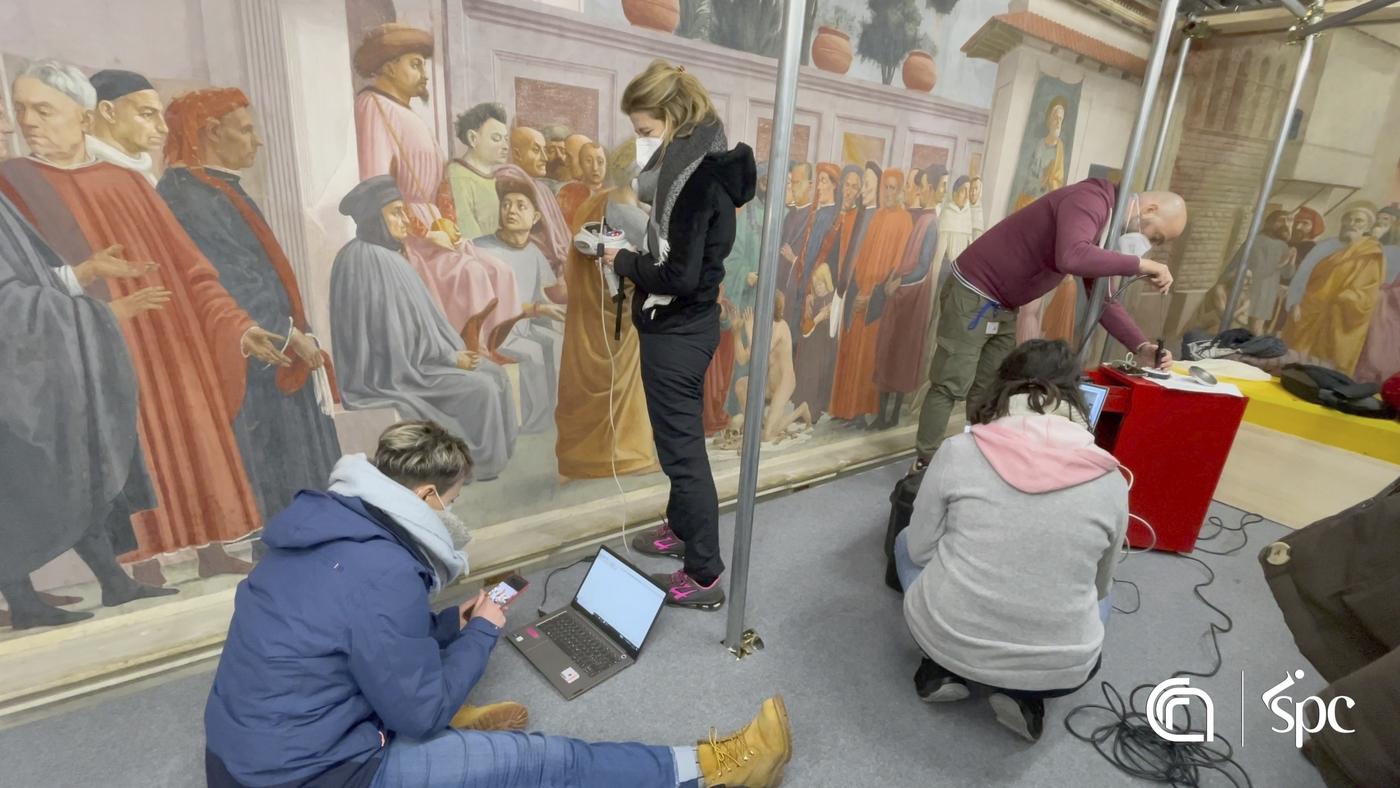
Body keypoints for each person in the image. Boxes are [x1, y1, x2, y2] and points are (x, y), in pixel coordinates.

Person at [205, 420, 794, 788]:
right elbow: (418, 712)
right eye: (454, 499)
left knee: (431, 679)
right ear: (428, 495)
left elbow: (346, 634)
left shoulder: (323, 528)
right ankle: (715, 772)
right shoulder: (383, 571)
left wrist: (441, 625)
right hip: (315, 775)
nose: (454, 511)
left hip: (239, 758)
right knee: (543, 763)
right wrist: (484, 628)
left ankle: (458, 727)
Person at [2, 60, 284, 580]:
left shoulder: (126, 182)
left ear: (85, 118)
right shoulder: (13, 184)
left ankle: (210, 545)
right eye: (21, 110)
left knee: (190, 432)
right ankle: (141, 562)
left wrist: (239, 326)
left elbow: (191, 269)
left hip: (171, 343)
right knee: (129, 447)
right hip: (92, 341)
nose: (28, 122)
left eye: (43, 109)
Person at [893, 340, 1127, 742]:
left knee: (903, 541)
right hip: (1064, 667)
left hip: (949, 635)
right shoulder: (1110, 479)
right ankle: (1025, 694)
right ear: (1076, 395)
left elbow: (918, 550)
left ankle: (942, 667)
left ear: (1002, 386)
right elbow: (1100, 585)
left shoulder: (959, 451)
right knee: (1104, 595)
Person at [600, 60, 756, 610]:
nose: (640, 143)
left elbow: (680, 277)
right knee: (677, 447)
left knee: (683, 457)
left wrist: (624, 261)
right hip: (685, 325)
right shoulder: (696, 165)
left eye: (645, 131)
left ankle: (706, 573)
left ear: (673, 117)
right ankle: (680, 529)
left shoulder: (694, 182)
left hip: (679, 331)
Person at [158, 87, 342, 524]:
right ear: (211, 133)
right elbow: (230, 277)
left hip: (274, 340)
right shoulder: (187, 195)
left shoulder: (216, 187)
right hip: (250, 351)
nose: (257, 141)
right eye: (246, 129)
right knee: (272, 464)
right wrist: (288, 329)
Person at [911, 181, 1185, 470]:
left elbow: (1103, 300)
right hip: (974, 291)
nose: (1150, 246)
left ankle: (977, 461)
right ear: (1150, 209)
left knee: (990, 389)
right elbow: (1071, 255)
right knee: (951, 382)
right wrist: (1140, 265)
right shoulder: (1090, 200)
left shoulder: (1106, 227)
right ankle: (924, 465)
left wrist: (1141, 346)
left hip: (1004, 306)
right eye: (1156, 238)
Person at [0, 191, 175, 629]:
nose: (6, 128)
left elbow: (29, 287)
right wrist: (106, 314)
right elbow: (9, 310)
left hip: (31, 369)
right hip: (12, 382)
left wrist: (85, 272)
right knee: (26, 476)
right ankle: (21, 600)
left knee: (77, 462)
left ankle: (113, 581)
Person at [329, 176, 517, 481]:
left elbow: (418, 323)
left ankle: (489, 461)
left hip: (417, 360)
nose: (406, 220)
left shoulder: (385, 256)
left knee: (493, 373)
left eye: (404, 211)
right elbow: (389, 339)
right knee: (481, 387)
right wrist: (448, 358)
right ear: (374, 218)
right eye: (395, 213)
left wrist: (449, 353)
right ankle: (473, 464)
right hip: (392, 374)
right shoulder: (367, 261)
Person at [352, 24, 520, 354]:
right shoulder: (373, 106)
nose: (424, 73)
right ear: (389, 66)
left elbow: (440, 182)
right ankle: (468, 349)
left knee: (499, 270)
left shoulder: (410, 113)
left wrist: (450, 226)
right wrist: (424, 234)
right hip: (408, 233)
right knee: (471, 275)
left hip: (435, 225)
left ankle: (484, 346)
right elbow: (378, 188)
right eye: (415, 64)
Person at [554, 142, 658, 480]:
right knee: (626, 382)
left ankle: (582, 459)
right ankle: (625, 456)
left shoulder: (594, 203)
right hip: (622, 317)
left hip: (590, 315)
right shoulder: (633, 217)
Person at [472, 166, 567, 433]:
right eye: (506, 205)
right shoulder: (480, 249)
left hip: (522, 327)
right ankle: (536, 423)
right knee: (533, 352)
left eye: (520, 206)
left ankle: (555, 415)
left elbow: (551, 291)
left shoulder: (534, 251)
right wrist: (539, 309)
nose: (511, 211)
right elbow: (483, 305)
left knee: (559, 341)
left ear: (536, 216)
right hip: (493, 333)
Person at [829, 169, 914, 424]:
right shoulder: (876, 217)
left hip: (878, 301)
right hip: (861, 294)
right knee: (850, 352)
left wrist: (873, 295)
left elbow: (896, 267)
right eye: (884, 188)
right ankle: (847, 409)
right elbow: (862, 257)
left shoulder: (905, 221)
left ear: (899, 192)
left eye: (892, 188)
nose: (887, 193)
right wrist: (857, 291)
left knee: (868, 358)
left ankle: (863, 412)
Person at [1283, 203, 1385, 376]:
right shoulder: (1325, 246)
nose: (1352, 224)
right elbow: (1302, 275)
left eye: (1358, 221)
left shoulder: (1371, 254)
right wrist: (1295, 302)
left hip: (1341, 317)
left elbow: (1368, 292)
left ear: (1367, 226)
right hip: (1308, 311)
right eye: (1348, 219)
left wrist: (1347, 297)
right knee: (1294, 361)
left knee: (1323, 370)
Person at [87, 69, 166, 185]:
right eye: (147, 114)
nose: (163, 128)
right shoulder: (92, 175)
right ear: (108, 112)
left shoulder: (143, 173)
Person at [448, 102, 509, 241]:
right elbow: (470, 237)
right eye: (496, 138)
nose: (505, 146)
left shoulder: (498, 178)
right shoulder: (458, 176)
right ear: (473, 139)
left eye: (506, 139)